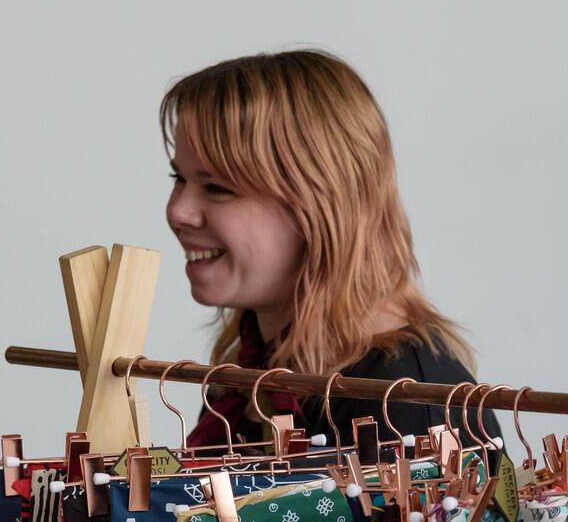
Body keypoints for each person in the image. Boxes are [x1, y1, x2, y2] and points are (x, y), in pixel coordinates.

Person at [162, 49, 498, 449]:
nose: (177, 211)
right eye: (178, 178)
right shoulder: (252, 377)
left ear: (320, 204)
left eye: (217, 188)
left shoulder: (406, 406)